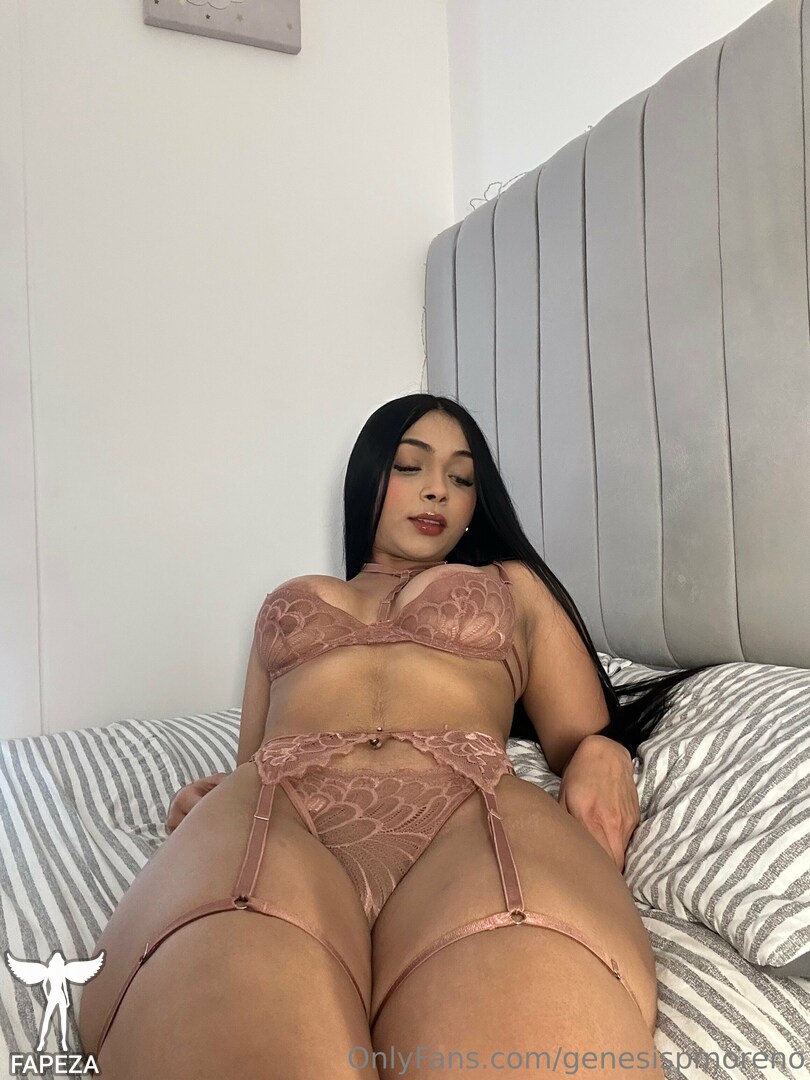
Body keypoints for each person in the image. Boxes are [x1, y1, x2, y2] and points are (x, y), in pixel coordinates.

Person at [77, 394, 712, 1079]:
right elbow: (253, 759)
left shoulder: (511, 586)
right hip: (279, 813)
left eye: (461, 478)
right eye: (411, 466)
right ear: (369, 476)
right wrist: (214, 797)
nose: (438, 489)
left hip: (466, 813)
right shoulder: (288, 599)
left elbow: (580, 732)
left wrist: (603, 750)